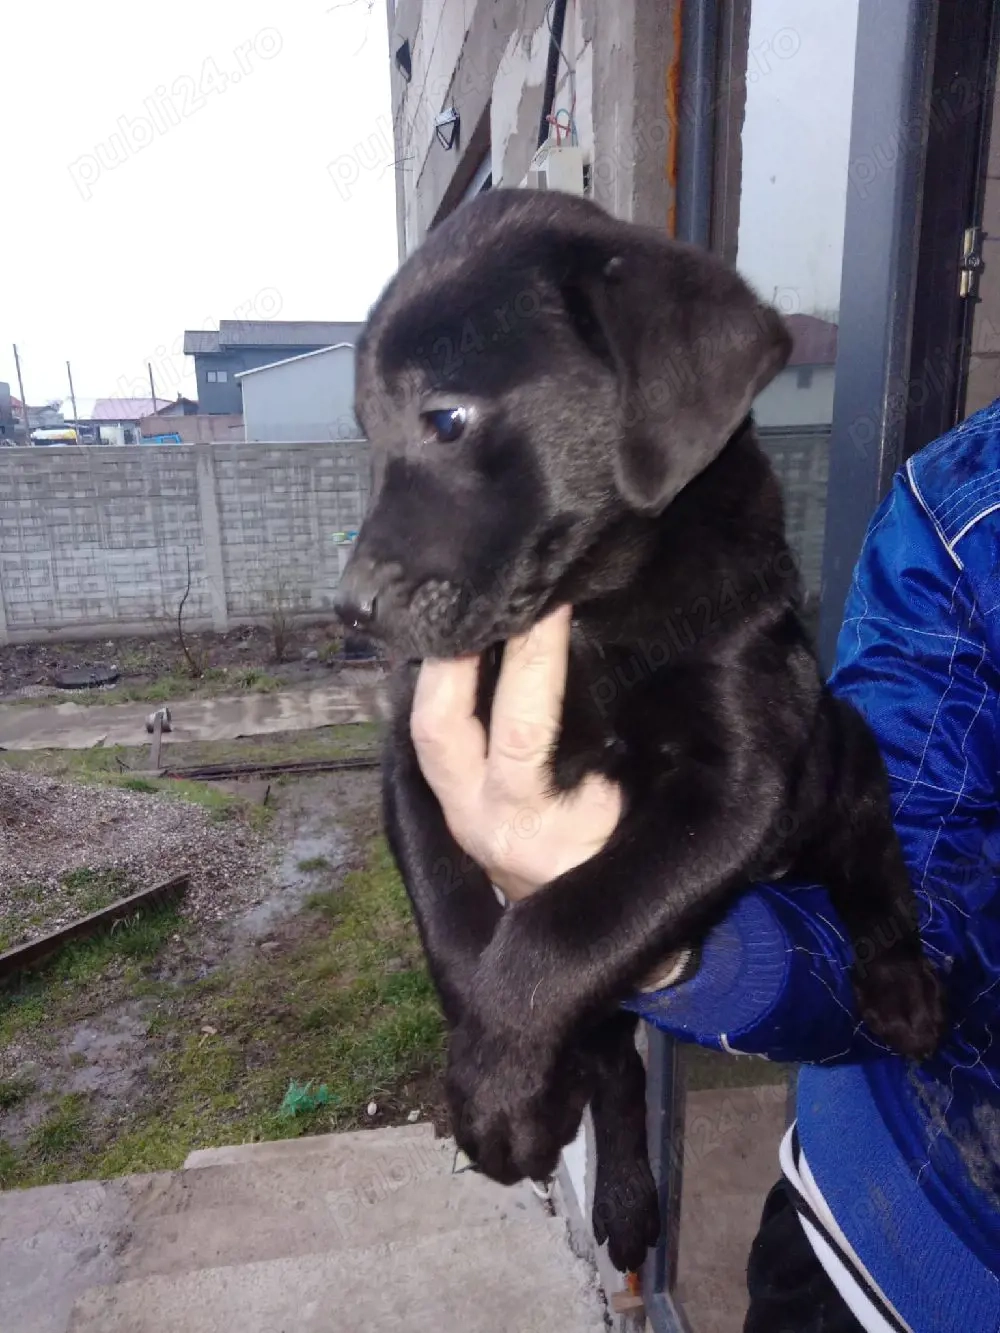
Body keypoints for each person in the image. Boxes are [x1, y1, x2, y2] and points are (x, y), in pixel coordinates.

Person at [409, 402, 1000, 1333]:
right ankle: (620, 1098)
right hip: (889, 1241)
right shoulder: (968, 514)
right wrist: (497, 991)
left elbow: (842, 821)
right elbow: (922, 864)